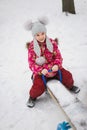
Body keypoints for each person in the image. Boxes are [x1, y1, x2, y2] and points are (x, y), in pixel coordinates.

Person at [25, 17, 80, 108]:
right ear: (34, 36)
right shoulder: (32, 48)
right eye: (37, 35)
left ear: (45, 33)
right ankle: (32, 97)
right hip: (42, 72)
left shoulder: (52, 43)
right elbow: (31, 64)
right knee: (38, 86)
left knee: (67, 76)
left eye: (42, 33)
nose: (41, 36)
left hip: (54, 69)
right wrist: (40, 70)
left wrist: (56, 65)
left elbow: (58, 56)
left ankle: (70, 86)